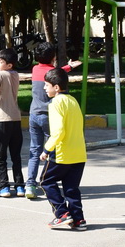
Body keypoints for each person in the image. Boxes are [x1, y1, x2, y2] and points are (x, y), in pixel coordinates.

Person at [27, 42, 82, 199]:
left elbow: (54, 72)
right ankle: (51, 180)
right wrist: (69, 67)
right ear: (53, 57)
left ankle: (30, 184)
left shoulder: (35, 69)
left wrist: (67, 67)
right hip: (48, 115)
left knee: (34, 149)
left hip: (33, 114)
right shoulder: (53, 73)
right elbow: (57, 73)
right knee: (52, 150)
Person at [39, 67, 88, 230]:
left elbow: (58, 131)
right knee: (71, 188)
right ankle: (79, 220)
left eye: (47, 85)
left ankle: (62, 214)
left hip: (62, 153)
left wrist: (46, 149)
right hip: (79, 153)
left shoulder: (56, 103)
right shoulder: (73, 101)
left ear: (56, 87)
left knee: (46, 181)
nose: (45, 88)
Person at [0, 47, 24, 197]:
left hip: (2, 118)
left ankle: (4, 186)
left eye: (1, 61)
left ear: (9, 64)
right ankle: (20, 186)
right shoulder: (15, 74)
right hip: (16, 117)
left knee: (0, 155)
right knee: (16, 155)